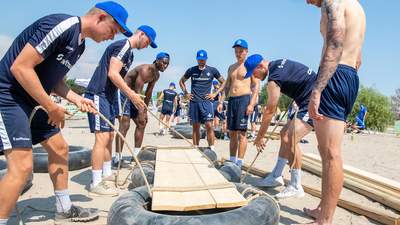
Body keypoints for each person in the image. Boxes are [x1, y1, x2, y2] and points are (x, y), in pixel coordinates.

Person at [0, 1, 132, 223]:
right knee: (22, 168)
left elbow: (54, 81)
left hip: (34, 100)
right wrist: (52, 107)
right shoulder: (63, 25)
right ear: (100, 18)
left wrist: (76, 98)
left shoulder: (79, 46)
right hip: (9, 97)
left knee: (60, 148)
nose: (111, 38)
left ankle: (64, 208)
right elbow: (20, 67)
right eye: (113, 30)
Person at [300, 1, 366, 224]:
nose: (307, 2)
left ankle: (324, 221)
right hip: (348, 75)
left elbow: (336, 41)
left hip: (335, 74)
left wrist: (318, 89)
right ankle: (322, 209)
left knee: (330, 152)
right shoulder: (357, 6)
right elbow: (358, 59)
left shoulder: (332, 1)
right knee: (325, 149)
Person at [84, 25, 158, 196]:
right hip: (98, 93)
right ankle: (95, 182)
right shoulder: (123, 46)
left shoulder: (130, 53)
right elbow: (113, 73)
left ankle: (107, 172)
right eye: (148, 41)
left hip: (109, 96)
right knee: (101, 137)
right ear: (141, 34)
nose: (147, 45)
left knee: (110, 135)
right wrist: (132, 95)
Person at [244, 55, 317, 199]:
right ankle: (276, 176)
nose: (255, 77)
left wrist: (259, 137)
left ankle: (296, 185)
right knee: (284, 133)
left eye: (254, 73)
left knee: (290, 137)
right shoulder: (277, 65)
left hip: (315, 99)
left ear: (260, 66)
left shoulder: (274, 77)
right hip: (305, 99)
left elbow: (270, 110)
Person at [114, 52, 170, 163]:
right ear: (157, 60)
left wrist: (145, 111)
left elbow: (148, 93)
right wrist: (140, 111)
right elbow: (138, 90)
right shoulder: (145, 70)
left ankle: (136, 156)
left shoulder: (156, 75)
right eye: (164, 63)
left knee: (142, 122)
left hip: (135, 96)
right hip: (124, 93)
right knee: (125, 124)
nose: (165, 65)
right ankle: (117, 158)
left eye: (167, 64)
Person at [179, 50, 225, 151]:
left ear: (206, 59)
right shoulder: (191, 70)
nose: (201, 62)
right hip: (194, 102)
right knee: (196, 126)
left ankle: (211, 148)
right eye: (199, 60)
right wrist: (186, 93)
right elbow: (181, 81)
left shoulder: (212, 70)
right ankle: (195, 148)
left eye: (203, 60)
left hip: (206, 102)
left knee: (209, 125)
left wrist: (215, 94)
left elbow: (224, 82)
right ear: (197, 59)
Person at [224, 39, 260, 167]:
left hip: (244, 99)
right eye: (236, 51)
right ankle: (232, 160)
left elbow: (256, 86)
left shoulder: (250, 66)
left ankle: (239, 162)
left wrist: (251, 104)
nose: (238, 54)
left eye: (240, 51)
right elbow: (227, 85)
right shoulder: (231, 67)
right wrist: (221, 100)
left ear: (246, 52)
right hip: (232, 100)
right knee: (232, 132)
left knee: (242, 133)